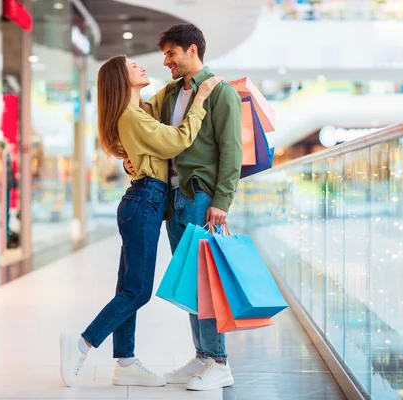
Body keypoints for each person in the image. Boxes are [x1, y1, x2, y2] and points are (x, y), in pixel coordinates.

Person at [60, 55, 222, 388]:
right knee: (137, 292)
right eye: (134, 67)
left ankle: (126, 360)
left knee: (128, 287)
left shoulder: (140, 111)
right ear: (122, 79)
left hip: (144, 200)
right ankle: (82, 343)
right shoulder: (132, 116)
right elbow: (176, 141)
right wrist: (202, 100)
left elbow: (154, 132)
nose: (143, 68)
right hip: (145, 201)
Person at [124, 24, 243, 391]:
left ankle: (219, 361)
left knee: (206, 283)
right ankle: (203, 356)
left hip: (201, 199)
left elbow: (231, 151)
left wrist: (222, 201)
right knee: (191, 284)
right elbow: (146, 130)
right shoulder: (169, 93)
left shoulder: (220, 93)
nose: (165, 62)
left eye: (171, 54)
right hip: (173, 201)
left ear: (192, 51)